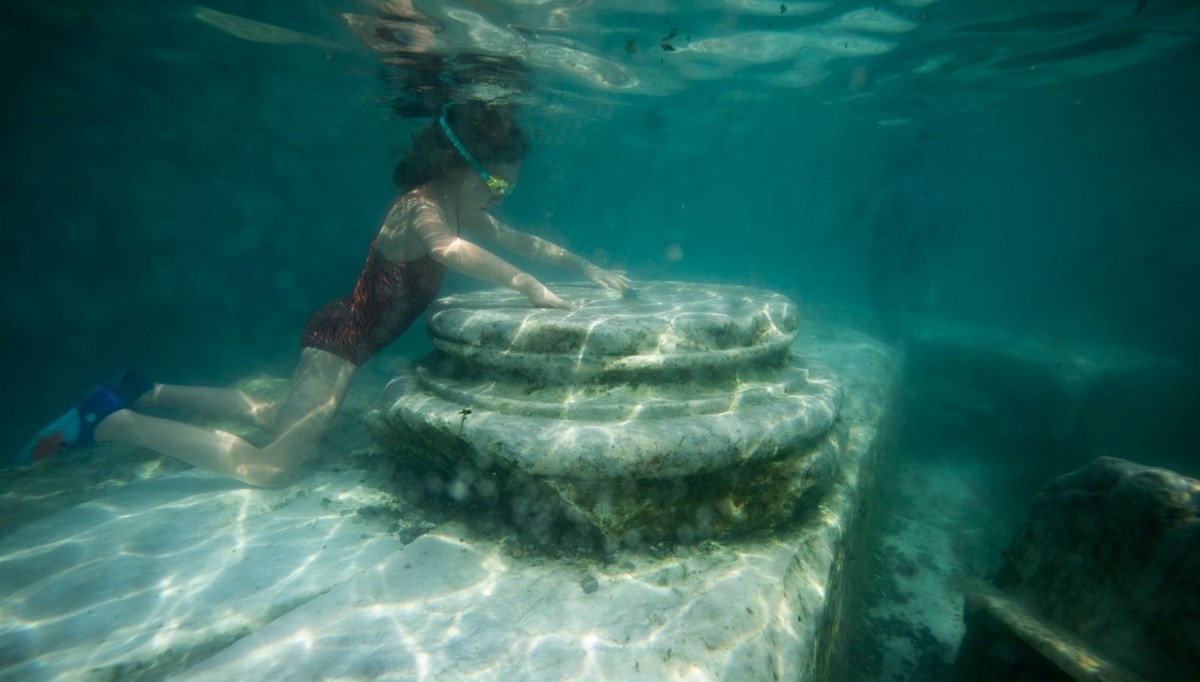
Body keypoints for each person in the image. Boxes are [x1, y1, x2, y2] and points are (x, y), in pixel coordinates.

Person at [19, 101, 631, 486]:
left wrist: (588, 269)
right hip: (340, 342)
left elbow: (521, 240)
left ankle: (144, 390)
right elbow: (449, 252)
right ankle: (116, 423)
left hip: (342, 338)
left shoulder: (456, 205)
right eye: (496, 180)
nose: (501, 195)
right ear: (456, 165)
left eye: (508, 184)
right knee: (271, 465)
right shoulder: (422, 211)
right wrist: (526, 286)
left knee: (273, 414)